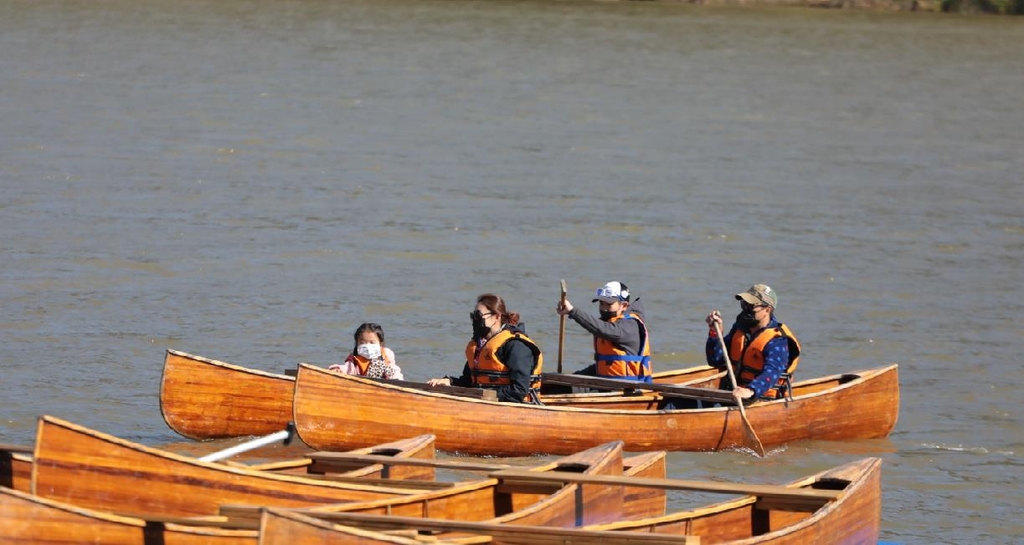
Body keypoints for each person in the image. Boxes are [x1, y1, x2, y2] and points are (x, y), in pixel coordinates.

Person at [426, 293, 544, 403]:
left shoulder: (516, 346)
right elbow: (469, 381)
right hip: (483, 402)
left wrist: (486, 396)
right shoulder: (480, 346)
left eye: (479, 316)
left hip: (516, 407)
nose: (475, 321)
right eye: (473, 316)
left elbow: (518, 390)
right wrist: (450, 382)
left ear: (496, 317)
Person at [705, 284, 801, 401]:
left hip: (761, 399)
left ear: (767, 309)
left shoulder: (777, 340)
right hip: (731, 395)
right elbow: (715, 360)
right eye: (744, 304)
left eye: (751, 306)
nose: (746, 309)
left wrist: (750, 390)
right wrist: (715, 333)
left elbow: (772, 372)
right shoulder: (740, 329)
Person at [555, 280, 652, 382]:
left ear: (623, 305)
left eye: (609, 305)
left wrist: (573, 311)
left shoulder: (629, 325)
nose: (604, 309)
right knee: (559, 385)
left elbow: (603, 329)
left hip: (626, 387)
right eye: (602, 304)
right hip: (605, 382)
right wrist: (568, 379)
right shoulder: (610, 322)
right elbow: (604, 364)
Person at [328, 322, 404, 380]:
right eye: (362, 342)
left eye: (372, 342)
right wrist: (339, 370)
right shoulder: (354, 359)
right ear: (357, 343)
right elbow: (348, 369)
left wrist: (397, 381)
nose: (367, 346)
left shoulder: (386, 357)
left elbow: (394, 371)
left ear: (380, 344)